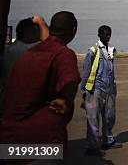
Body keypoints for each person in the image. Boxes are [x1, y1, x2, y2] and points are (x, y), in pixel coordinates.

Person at [0, 11, 80, 149]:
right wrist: (66, 101)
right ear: (73, 30)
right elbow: (70, 80)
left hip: (9, 133)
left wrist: (41, 23)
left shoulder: (27, 52)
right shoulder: (62, 54)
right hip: (41, 138)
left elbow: (47, 42)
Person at [80, 25, 121, 155]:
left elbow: (111, 70)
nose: (107, 36)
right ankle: (92, 146)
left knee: (109, 116)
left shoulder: (111, 50)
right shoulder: (92, 50)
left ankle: (107, 140)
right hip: (95, 88)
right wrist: (84, 90)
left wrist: (113, 88)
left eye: (109, 34)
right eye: (105, 34)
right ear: (99, 35)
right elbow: (86, 70)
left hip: (109, 88)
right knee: (93, 118)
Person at [0, 15, 49, 103]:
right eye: (38, 33)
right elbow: (51, 44)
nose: (40, 36)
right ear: (30, 35)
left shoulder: (11, 49)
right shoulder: (27, 50)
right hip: (21, 102)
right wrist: (42, 23)